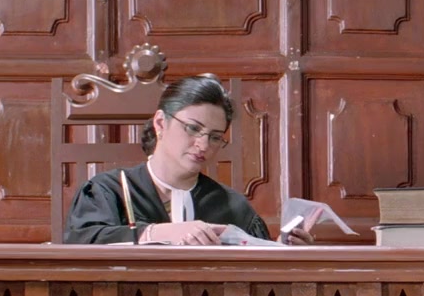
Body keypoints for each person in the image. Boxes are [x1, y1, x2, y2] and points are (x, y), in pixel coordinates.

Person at [64, 75, 315, 245]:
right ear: (160, 123)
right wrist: (157, 232)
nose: (203, 145)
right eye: (193, 128)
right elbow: (81, 243)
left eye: (215, 137)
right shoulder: (109, 191)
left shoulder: (232, 206)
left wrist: (285, 254)